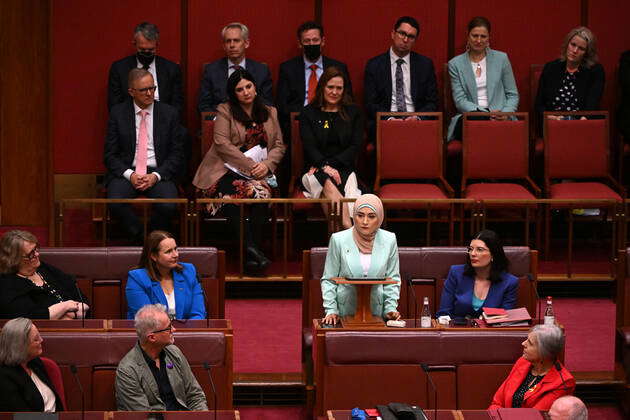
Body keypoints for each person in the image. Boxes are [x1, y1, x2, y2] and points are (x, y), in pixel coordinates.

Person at [193, 69, 285, 275]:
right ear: (233, 93)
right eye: (239, 89)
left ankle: (250, 255)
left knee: (262, 195)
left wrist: (267, 166)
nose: (245, 92)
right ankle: (253, 253)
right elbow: (222, 144)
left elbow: (279, 145)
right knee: (231, 198)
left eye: (248, 86)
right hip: (223, 172)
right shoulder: (225, 110)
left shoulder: (270, 112)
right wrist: (250, 166)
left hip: (260, 173)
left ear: (255, 86)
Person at [104, 68, 185, 244]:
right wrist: (130, 175)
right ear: (131, 92)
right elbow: (110, 155)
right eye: (143, 90)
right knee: (115, 203)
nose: (150, 93)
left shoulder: (169, 113)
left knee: (169, 205)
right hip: (127, 172)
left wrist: (155, 176)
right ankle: (143, 238)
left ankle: (153, 239)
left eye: (152, 88)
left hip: (159, 172)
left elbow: (177, 153)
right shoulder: (118, 113)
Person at [321, 194, 401, 325]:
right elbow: (329, 280)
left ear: (379, 218)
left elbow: (393, 279)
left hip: (376, 312)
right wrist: (331, 310)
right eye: (360, 215)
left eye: (371, 216)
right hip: (344, 312)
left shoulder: (389, 240)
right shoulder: (338, 239)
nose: (365, 221)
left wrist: (390, 308)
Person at [300, 66, 364, 229]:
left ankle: (337, 241)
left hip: (345, 168)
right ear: (322, 87)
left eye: (339, 88)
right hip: (315, 168)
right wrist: (325, 167)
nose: (334, 92)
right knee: (326, 183)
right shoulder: (309, 113)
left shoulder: (353, 112)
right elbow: (309, 146)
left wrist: (332, 165)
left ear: (344, 90)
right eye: (330, 87)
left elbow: (355, 146)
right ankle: (348, 229)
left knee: (328, 189)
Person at [115, 303, 208, 411]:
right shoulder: (127, 371)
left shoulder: (174, 352)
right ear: (152, 337)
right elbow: (144, 416)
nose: (174, 330)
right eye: (168, 328)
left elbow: (195, 396)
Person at [363, 16, 438, 141]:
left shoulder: (425, 65)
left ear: (415, 40)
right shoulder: (374, 65)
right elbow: (370, 103)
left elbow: (432, 102)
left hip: (417, 123)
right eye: (402, 33)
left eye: (411, 36)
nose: (405, 39)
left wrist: (417, 118)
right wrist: (390, 119)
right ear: (393, 34)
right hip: (385, 123)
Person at [447, 16, 519, 141]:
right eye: (475, 36)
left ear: (488, 38)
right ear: (467, 36)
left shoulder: (501, 59)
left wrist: (505, 113)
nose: (479, 40)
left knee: (494, 130)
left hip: (501, 116)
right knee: (477, 123)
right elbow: (460, 101)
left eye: (483, 36)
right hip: (471, 116)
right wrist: (485, 114)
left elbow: (513, 95)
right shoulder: (455, 64)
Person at [276, 21, 353, 134]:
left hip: (332, 122)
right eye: (307, 41)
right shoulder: (288, 69)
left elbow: (348, 100)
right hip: (300, 122)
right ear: (300, 43)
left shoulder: (338, 67)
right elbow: (282, 105)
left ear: (323, 41)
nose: (312, 44)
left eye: (315, 40)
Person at [0, 230, 89, 320]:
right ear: (15, 259)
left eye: (36, 248)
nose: (37, 254)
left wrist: (76, 311)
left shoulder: (43, 268)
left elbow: (79, 295)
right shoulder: (7, 284)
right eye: (31, 254)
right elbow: (29, 318)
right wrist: (65, 306)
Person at [535, 27, 604, 134]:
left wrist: (579, 124)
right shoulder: (551, 68)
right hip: (553, 125)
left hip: (582, 127)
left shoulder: (595, 72)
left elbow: (592, 105)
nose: (575, 51)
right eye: (573, 45)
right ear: (567, 44)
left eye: (581, 48)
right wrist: (550, 117)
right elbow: (539, 104)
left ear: (587, 53)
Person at [489, 324, 575, 410]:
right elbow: (497, 402)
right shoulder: (522, 362)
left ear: (544, 353)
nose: (523, 343)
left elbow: (534, 416)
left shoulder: (563, 382)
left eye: (530, 343)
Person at [437, 229, 518, 319]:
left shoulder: (509, 282)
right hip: (457, 329)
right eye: (470, 249)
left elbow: (505, 318)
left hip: (491, 331)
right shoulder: (456, 273)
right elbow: (444, 313)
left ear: (493, 255)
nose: (473, 254)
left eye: (479, 250)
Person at [126, 230, 206, 320]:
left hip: (186, 331)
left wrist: (188, 333)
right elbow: (147, 319)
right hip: (153, 332)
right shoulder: (138, 278)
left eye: (175, 249)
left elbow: (198, 314)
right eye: (168, 252)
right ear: (153, 256)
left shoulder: (188, 272)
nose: (175, 255)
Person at [108, 22, 184, 115]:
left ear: (157, 45)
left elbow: (177, 106)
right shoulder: (119, 69)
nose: (146, 53)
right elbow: (115, 106)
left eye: (151, 50)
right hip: (130, 121)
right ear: (134, 44)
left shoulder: (171, 69)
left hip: (163, 121)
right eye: (142, 50)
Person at [198, 22, 273, 113]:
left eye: (236, 40)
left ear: (246, 43)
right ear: (224, 46)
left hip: (252, 122)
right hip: (221, 121)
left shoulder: (261, 70)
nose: (232, 45)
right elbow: (204, 106)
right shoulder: (211, 70)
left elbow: (267, 104)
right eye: (228, 41)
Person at [0, 318, 63, 412]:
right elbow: (20, 416)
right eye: (36, 339)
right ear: (20, 345)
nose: (41, 340)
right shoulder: (4, 377)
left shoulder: (35, 363)